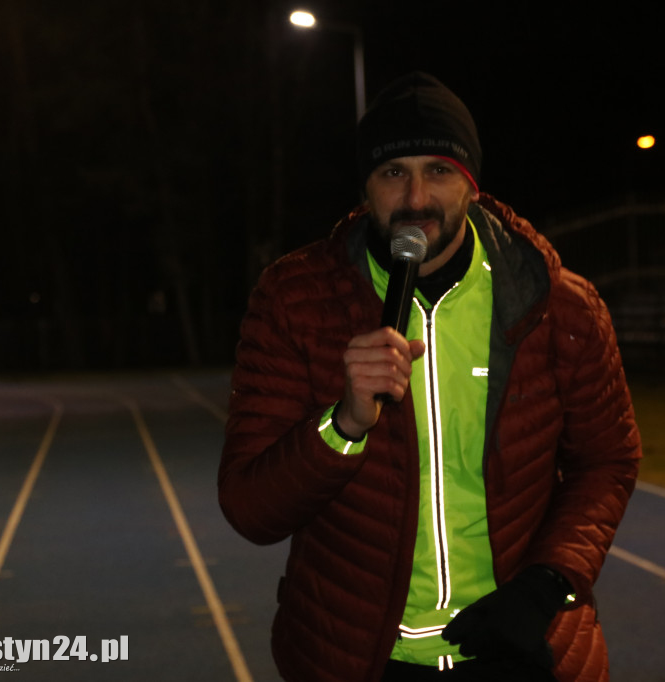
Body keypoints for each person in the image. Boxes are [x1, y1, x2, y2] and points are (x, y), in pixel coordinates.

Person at [218, 71, 642, 682]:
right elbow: (250, 508)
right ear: (364, 187)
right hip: (359, 658)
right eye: (394, 173)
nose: (416, 198)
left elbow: (607, 461)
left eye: (439, 170)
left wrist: (547, 586)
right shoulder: (293, 300)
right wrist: (343, 425)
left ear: (472, 184)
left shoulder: (560, 304)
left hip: (521, 646)